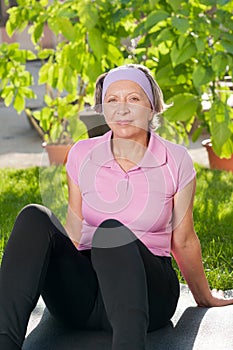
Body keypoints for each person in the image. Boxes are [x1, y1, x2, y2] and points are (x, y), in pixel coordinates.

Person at [0, 64, 232, 350]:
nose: (122, 108)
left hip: (149, 296)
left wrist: (204, 297)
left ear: (152, 108)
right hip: (84, 299)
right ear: (103, 108)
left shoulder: (176, 159)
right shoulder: (82, 153)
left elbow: (183, 240)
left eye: (133, 99)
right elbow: (75, 228)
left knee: (111, 233)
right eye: (112, 99)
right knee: (34, 216)